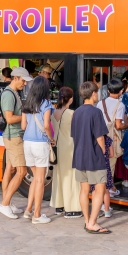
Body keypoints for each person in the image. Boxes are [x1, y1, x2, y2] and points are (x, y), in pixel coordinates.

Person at [71, 81, 110, 234]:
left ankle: (87, 220)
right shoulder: (96, 112)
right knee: (100, 188)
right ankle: (93, 223)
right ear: (93, 93)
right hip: (94, 155)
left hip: (79, 155)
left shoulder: (77, 112)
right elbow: (100, 137)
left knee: (84, 189)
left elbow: (74, 135)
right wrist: (103, 151)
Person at [0, 66, 32, 219]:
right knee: (22, 171)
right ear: (16, 78)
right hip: (14, 137)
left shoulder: (13, 93)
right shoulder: (9, 95)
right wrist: (26, 117)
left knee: (10, 169)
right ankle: (4, 205)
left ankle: (7, 202)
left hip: (13, 136)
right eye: (23, 81)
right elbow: (9, 119)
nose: (25, 84)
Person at [20, 76, 54, 224]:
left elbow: (23, 126)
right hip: (40, 144)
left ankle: (28, 210)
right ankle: (37, 215)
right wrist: (51, 138)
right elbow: (47, 125)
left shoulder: (27, 103)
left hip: (27, 143)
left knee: (35, 178)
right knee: (40, 180)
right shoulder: (46, 104)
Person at [49, 87, 82, 219]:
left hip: (57, 147)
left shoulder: (53, 113)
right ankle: (72, 208)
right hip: (69, 147)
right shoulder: (71, 113)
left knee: (59, 176)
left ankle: (59, 205)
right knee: (71, 177)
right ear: (71, 98)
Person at [97, 79, 127, 214]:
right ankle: (107, 199)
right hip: (112, 140)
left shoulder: (100, 103)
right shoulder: (120, 105)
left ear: (108, 90)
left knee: (102, 167)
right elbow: (119, 125)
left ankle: (109, 190)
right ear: (122, 91)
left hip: (100, 139)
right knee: (110, 168)